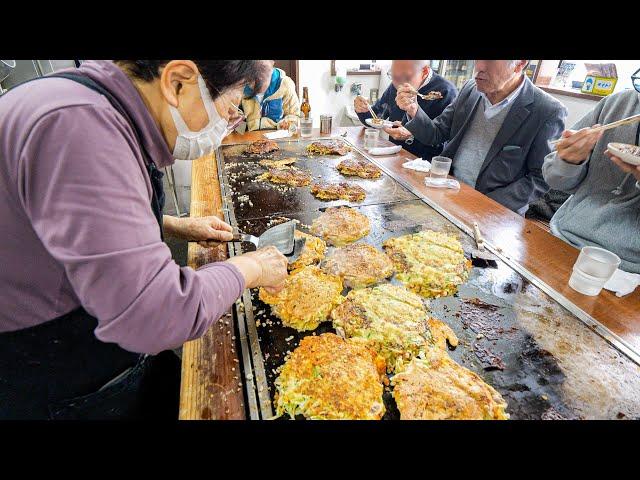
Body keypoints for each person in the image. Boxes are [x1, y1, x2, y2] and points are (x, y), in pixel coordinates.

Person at [0, 60, 289, 419]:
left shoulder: (86, 102)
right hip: (56, 375)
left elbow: (68, 218)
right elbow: (156, 315)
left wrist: (172, 225)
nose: (226, 122)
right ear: (179, 82)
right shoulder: (79, 128)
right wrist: (251, 266)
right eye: (228, 106)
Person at [397, 60, 567, 215]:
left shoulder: (547, 110)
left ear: (520, 63)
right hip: (447, 192)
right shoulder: (470, 89)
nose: (479, 67)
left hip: (494, 213)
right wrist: (413, 109)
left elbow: (540, 178)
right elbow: (436, 134)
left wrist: (483, 204)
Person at [542, 74, 640, 274]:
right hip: (564, 236)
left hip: (629, 267)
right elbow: (552, 178)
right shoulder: (617, 104)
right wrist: (569, 161)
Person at [354, 60, 457, 160]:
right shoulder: (397, 84)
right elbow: (375, 118)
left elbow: (441, 139)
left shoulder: (446, 92)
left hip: (425, 164)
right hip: (395, 157)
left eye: (405, 77)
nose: (397, 83)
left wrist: (411, 134)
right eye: (393, 75)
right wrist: (362, 110)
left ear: (424, 71)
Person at [240, 60, 300, 131]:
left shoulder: (285, 84)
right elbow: (235, 112)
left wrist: (288, 123)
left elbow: (295, 116)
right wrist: (238, 120)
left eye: (261, 81)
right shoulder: (240, 86)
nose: (256, 86)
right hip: (249, 136)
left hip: (277, 136)